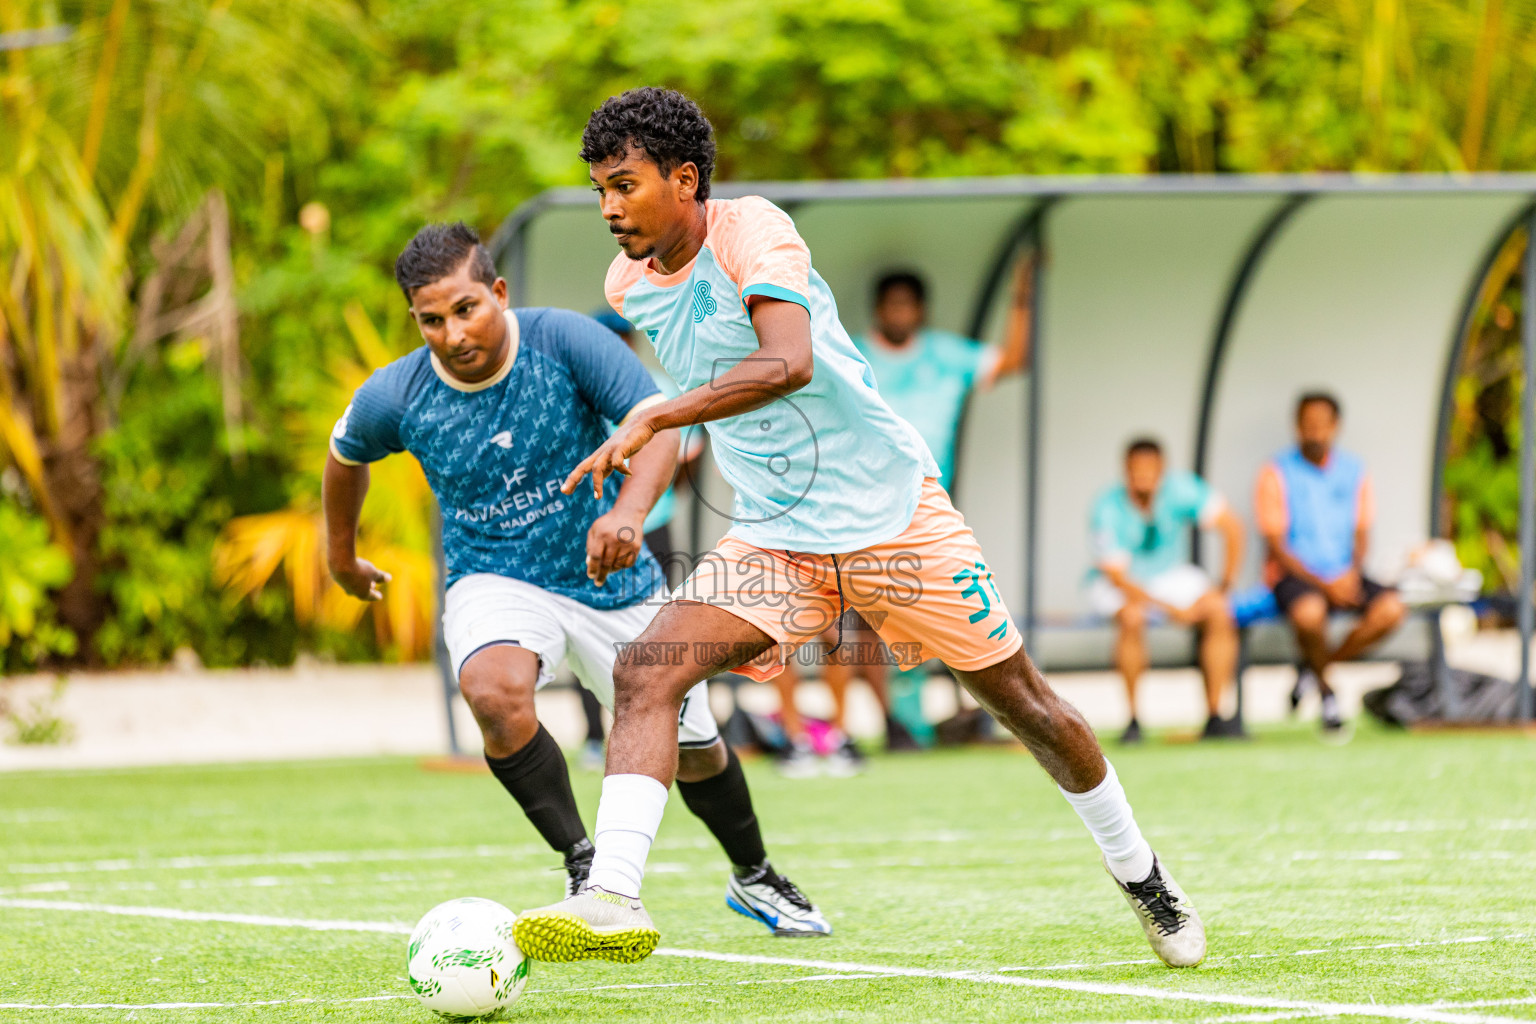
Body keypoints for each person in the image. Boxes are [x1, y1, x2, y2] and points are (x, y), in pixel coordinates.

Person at [513, 87, 1205, 970]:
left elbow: (786, 362)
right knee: (646, 672)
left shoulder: (755, 231)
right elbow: (694, 401)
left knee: (1024, 705)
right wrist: (636, 493)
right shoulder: (629, 284)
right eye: (599, 190)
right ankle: (610, 895)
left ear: (685, 180)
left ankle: (1141, 872)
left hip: (894, 517)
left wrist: (655, 416)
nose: (608, 209)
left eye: (624, 185)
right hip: (775, 536)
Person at [323, 221, 828, 936]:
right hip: (493, 574)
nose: (453, 333)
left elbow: (658, 425)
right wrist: (340, 556)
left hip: (611, 581)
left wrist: (627, 512)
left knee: (696, 750)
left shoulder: (564, 342)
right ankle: (584, 860)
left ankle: (754, 874)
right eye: (430, 320)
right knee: (493, 693)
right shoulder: (397, 394)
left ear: (497, 292)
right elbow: (345, 455)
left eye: (466, 309)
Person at [575, 310, 704, 771]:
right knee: (587, 624)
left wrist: (654, 499)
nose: (614, 347)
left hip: (654, 526)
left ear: (631, 341)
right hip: (596, 528)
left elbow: (687, 456)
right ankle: (596, 735)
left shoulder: (656, 391)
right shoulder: (579, 391)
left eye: (619, 338)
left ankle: (652, 726)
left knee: (653, 630)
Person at [1255, 391, 1406, 731]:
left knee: (1393, 609)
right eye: (1308, 425)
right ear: (1297, 426)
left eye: (1321, 425)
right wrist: (1325, 584)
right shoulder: (1276, 472)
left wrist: (1350, 574)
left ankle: (1315, 668)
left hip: (1344, 573)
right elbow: (1276, 545)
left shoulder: (1355, 470)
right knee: (1310, 615)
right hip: (1296, 576)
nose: (1314, 432)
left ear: (1335, 426)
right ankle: (1327, 696)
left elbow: (1361, 533)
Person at [1087, 438, 1245, 743]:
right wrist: (1172, 610)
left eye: (1150, 470)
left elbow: (1232, 527)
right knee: (1132, 618)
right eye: (1136, 471)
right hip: (1121, 582)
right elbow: (1119, 580)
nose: (1144, 477)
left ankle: (1214, 717)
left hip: (1171, 575)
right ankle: (1133, 722)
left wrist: (1224, 585)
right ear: (1125, 471)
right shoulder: (1106, 507)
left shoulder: (1181, 488)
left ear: (1163, 470)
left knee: (1218, 610)